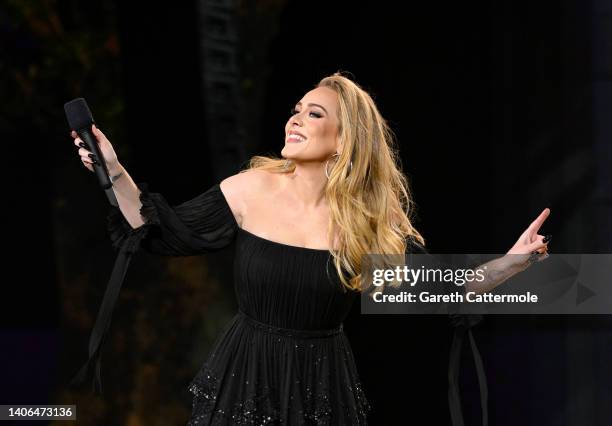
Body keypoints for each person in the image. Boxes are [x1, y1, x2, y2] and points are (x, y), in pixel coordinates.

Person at [71, 72, 550, 425]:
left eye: (314, 114)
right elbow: (159, 233)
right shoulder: (251, 187)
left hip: (322, 390)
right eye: (297, 109)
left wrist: (515, 262)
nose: (296, 119)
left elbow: (446, 293)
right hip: (242, 378)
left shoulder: (369, 226)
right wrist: (112, 168)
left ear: (344, 141)